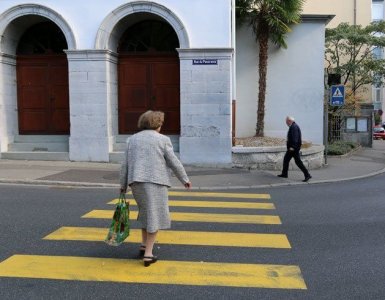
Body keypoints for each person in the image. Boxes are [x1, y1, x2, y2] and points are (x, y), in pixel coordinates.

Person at [120, 110, 192, 267]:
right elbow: (174, 162)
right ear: (157, 124)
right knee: (155, 216)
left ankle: (144, 245)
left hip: (136, 182)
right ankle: (148, 254)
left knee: (146, 213)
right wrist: (184, 179)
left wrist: (123, 185)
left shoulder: (132, 140)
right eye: (161, 123)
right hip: (156, 182)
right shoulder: (163, 140)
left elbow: (125, 164)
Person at [277, 116, 312, 182]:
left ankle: (307, 175)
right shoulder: (293, 126)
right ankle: (284, 174)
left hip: (293, 149)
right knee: (286, 160)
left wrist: (292, 147)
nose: (286, 123)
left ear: (289, 121)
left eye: (286, 121)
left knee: (298, 162)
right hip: (292, 148)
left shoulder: (294, 127)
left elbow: (295, 138)